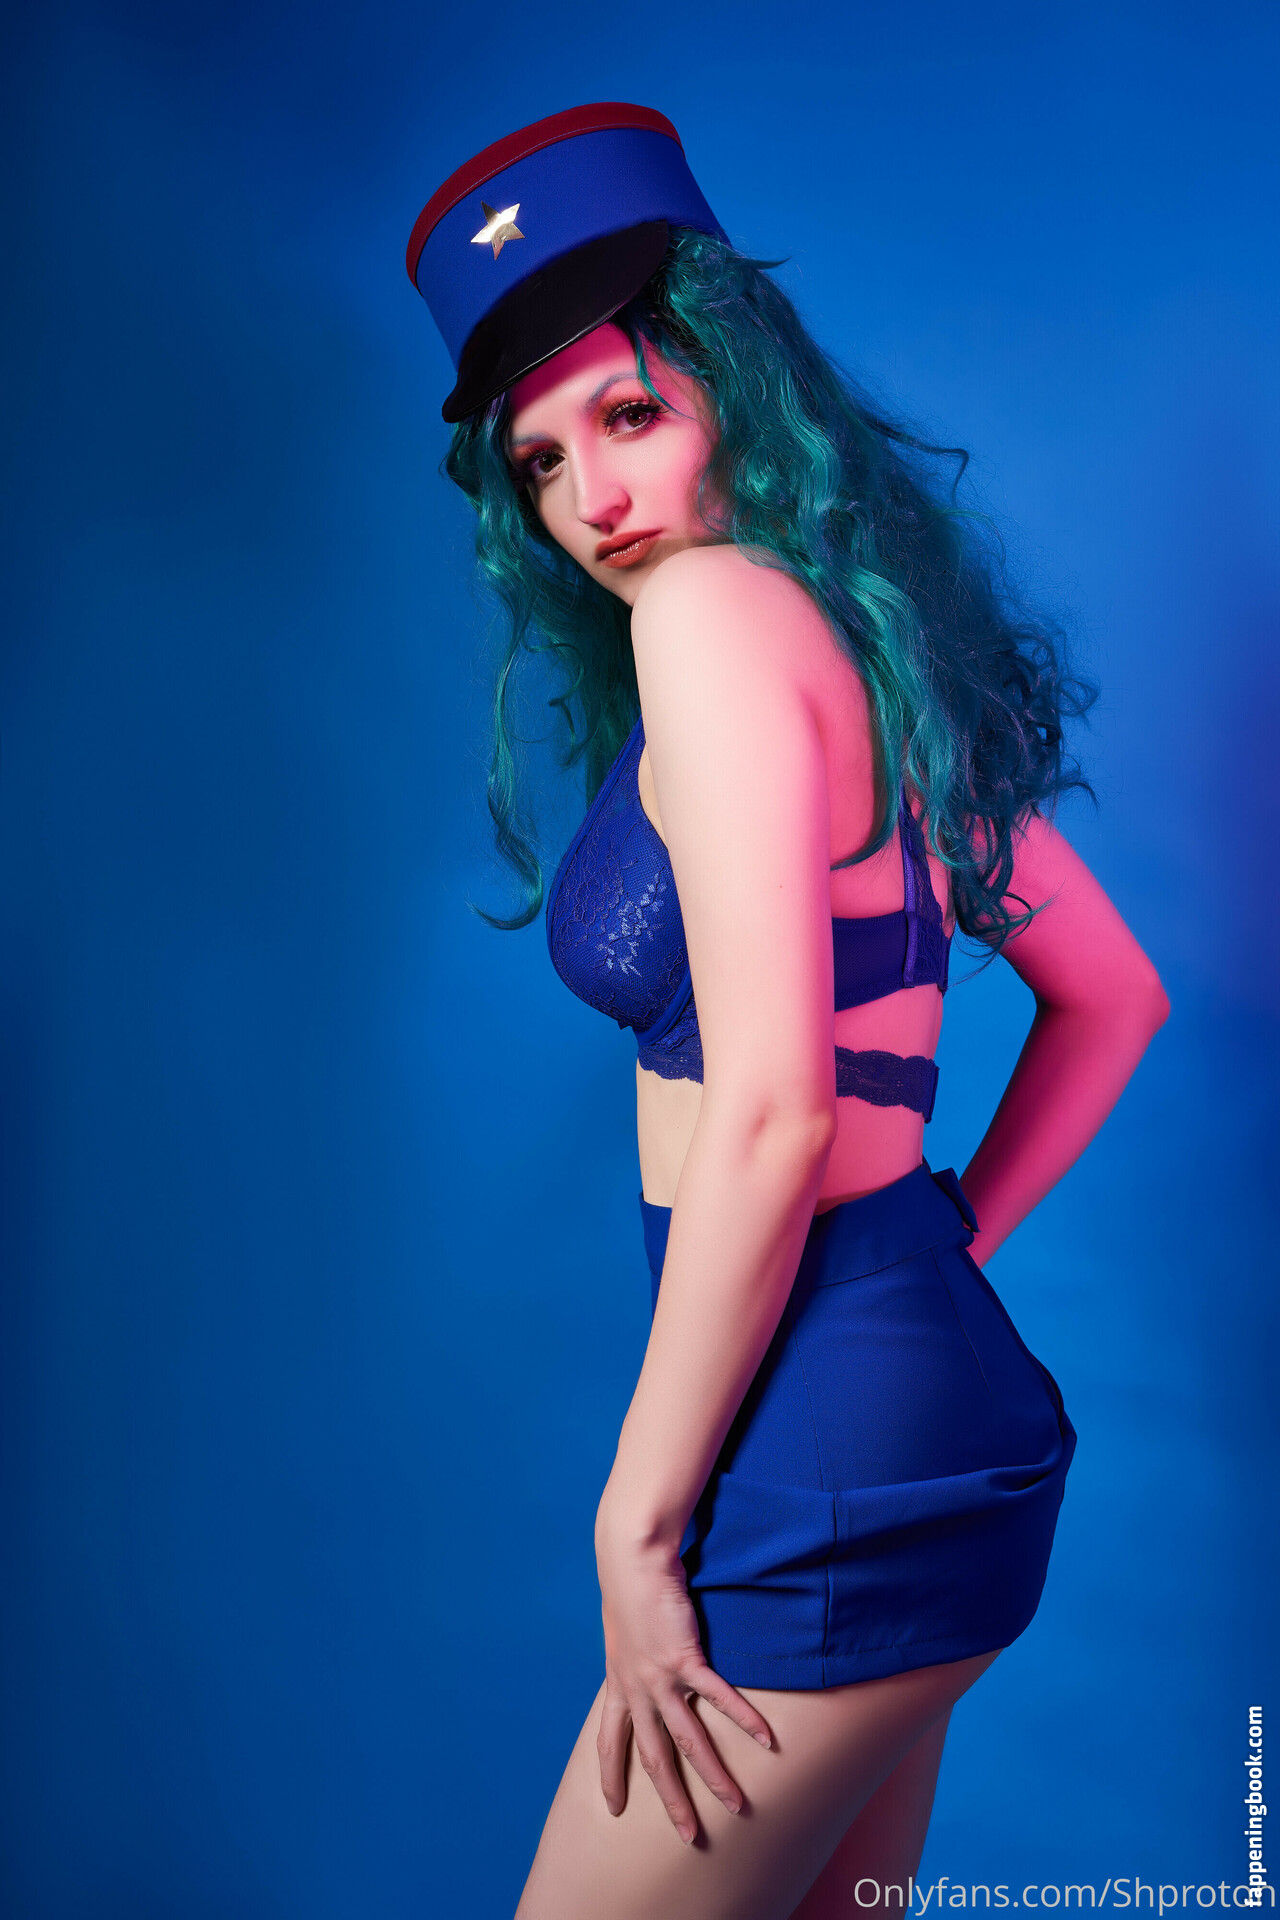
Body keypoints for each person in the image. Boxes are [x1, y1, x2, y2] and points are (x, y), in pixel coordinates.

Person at [405, 104, 1170, 1920]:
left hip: (822, 1443)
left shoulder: (706, 619)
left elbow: (769, 1111)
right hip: (910, 1399)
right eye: (540, 462)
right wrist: (940, 1239)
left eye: (629, 415)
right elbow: (1117, 995)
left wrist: (634, 1524)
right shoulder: (867, 653)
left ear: (737, 388)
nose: (592, 500)